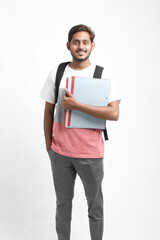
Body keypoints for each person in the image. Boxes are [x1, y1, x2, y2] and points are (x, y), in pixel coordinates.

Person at [40, 24, 121, 240]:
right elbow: (48, 110)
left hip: (91, 155)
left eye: (85, 42)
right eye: (76, 42)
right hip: (60, 154)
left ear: (92, 46)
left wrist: (78, 106)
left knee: (95, 209)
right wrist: (49, 146)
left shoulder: (102, 74)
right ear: (68, 45)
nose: (80, 46)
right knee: (63, 207)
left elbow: (114, 113)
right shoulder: (57, 72)